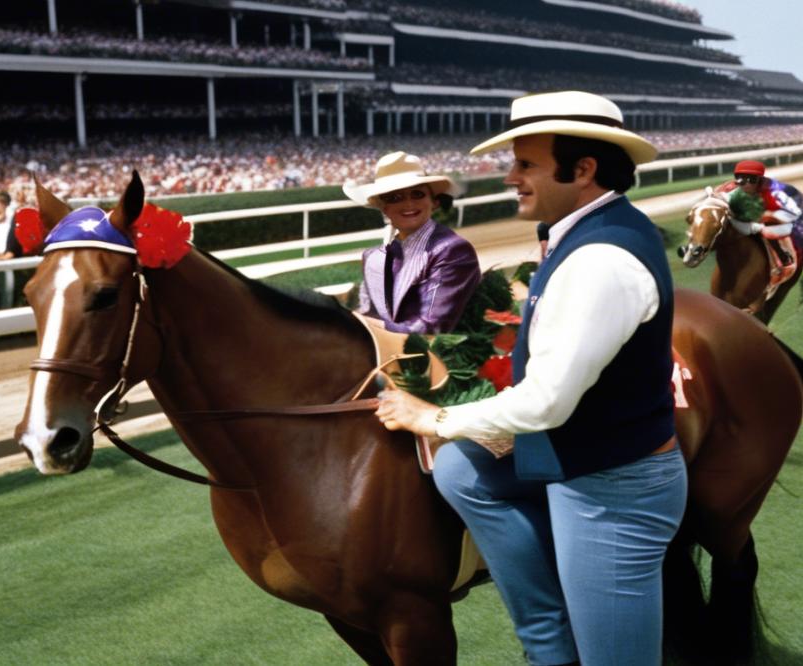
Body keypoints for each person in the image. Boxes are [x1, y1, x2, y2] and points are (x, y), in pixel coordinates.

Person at [375, 91, 687, 666]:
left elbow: (545, 404)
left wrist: (436, 417)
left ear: (584, 169)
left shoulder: (600, 260)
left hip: (610, 490)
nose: (510, 176)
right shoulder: (585, 230)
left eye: (525, 164)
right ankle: (551, 641)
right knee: (460, 470)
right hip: (588, 458)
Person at [342, 151, 480, 333]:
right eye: (395, 197)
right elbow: (369, 313)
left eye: (417, 194)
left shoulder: (452, 250)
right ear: (384, 208)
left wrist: (362, 326)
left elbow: (431, 328)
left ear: (434, 202)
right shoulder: (372, 257)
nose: (408, 204)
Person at [715, 160, 801, 268]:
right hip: (755, 218)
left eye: (752, 180)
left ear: (760, 180)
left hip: (784, 218)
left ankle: (783, 256)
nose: (746, 184)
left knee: (767, 231)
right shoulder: (733, 189)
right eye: (741, 179)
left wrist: (770, 215)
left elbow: (795, 213)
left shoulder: (775, 192)